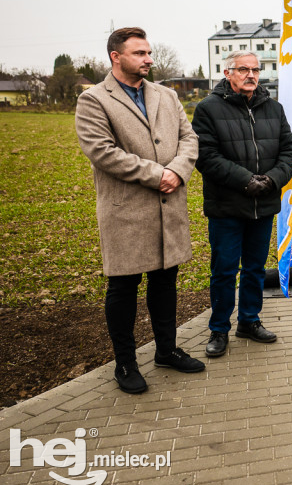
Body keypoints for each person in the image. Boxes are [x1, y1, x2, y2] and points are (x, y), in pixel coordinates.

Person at [75, 27, 205, 394]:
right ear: (116, 56)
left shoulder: (165, 95)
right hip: (126, 211)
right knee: (124, 287)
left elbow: (189, 138)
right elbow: (102, 152)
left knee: (165, 283)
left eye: (149, 52)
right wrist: (157, 174)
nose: (149, 59)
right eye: (140, 53)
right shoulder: (94, 100)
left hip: (169, 206)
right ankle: (126, 363)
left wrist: (177, 171)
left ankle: (166, 350)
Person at [191, 51, 292, 358]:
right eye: (243, 69)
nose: (250, 75)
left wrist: (271, 180)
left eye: (255, 70)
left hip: (262, 206)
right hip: (226, 207)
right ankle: (219, 329)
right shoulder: (208, 109)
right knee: (224, 270)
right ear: (228, 73)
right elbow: (206, 156)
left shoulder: (273, 109)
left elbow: (289, 152)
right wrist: (246, 180)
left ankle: (249, 321)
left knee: (254, 269)